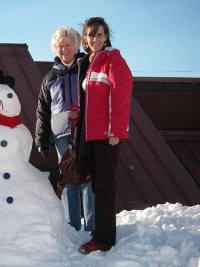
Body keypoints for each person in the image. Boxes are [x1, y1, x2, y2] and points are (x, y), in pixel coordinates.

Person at [76, 17, 133, 254]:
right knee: (91, 180)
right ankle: (100, 230)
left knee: (104, 187)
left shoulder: (114, 61)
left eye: (99, 35)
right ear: (85, 38)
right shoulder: (89, 62)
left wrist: (116, 132)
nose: (95, 39)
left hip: (106, 135)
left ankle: (104, 238)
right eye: (91, 35)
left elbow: (120, 98)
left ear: (106, 37)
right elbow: (91, 99)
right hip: (89, 134)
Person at [35, 26, 95, 233]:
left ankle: (92, 227)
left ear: (76, 46)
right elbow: (42, 110)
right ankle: (72, 228)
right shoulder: (50, 77)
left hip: (86, 130)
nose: (64, 50)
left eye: (68, 45)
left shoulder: (86, 68)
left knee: (88, 176)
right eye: (60, 46)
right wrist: (41, 140)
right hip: (61, 134)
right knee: (69, 177)